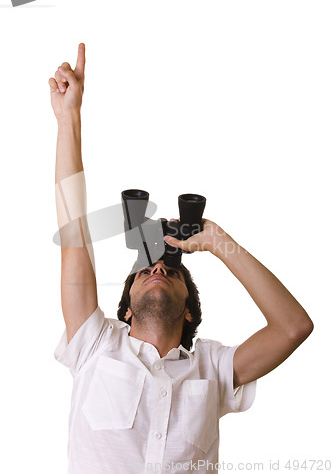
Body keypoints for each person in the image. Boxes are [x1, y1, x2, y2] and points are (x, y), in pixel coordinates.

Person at [50, 43, 314, 474]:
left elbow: (294, 327)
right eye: (147, 270)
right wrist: (68, 118)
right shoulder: (95, 345)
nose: (156, 267)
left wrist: (217, 242)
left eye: (170, 270)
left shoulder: (212, 367)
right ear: (126, 309)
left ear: (189, 311)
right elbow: (74, 228)